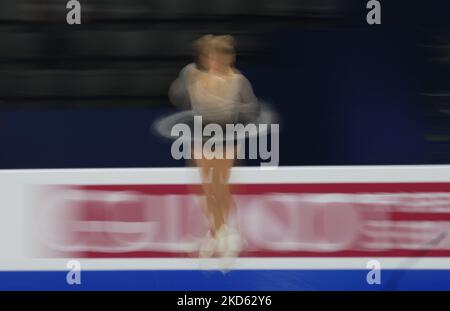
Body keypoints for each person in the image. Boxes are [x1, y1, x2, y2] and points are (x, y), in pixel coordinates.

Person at [169, 35, 259, 263]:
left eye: (221, 57)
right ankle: (220, 233)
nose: (216, 61)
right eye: (212, 56)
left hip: (226, 136)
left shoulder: (238, 80)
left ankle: (224, 236)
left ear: (230, 58)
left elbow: (253, 108)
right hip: (202, 136)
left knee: (219, 188)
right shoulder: (194, 75)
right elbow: (176, 95)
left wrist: (235, 107)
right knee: (204, 187)